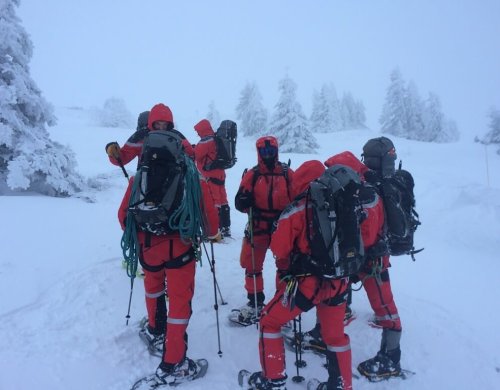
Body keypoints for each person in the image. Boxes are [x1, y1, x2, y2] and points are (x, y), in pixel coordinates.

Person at [118, 104, 221, 386]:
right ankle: (174, 363)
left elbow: (122, 216)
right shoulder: (189, 173)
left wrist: (142, 236)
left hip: (148, 247)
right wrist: (208, 233)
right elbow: (210, 220)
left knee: (153, 289)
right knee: (178, 304)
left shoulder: (141, 174)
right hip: (181, 248)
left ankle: (154, 329)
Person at [243, 160, 353, 390]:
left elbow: (279, 249)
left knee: (269, 322)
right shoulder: (342, 203)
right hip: (340, 282)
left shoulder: (296, 209)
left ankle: (273, 379)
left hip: (308, 285)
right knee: (335, 337)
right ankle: (341, 385)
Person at [304, 151, 403, 381]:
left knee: (384, 305)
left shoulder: (367, 196)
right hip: (356, 259)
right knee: (332, 293)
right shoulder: (352, 190)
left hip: (372, 262)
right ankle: (322, 333)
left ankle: (391, 357)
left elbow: (366, 236)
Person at [233, 136, 294, 325]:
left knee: (285, 267)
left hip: (281, 228)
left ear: (276, 151)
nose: (268, 155)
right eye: (264, 152)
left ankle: (281, 302)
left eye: (271, 151)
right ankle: (255, 302)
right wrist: (244, 202)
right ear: (259, 153)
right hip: (258, 226)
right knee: (251, 266)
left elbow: (298, 197)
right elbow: (239, 201)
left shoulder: (287, 173)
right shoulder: (253, 174)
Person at [105, 103, 194, 168]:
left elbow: (191, 154)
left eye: (164, 125)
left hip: (173, 179)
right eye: (158, 124)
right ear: (152, 122)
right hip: (146, 179)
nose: (161, 128)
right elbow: (123, 158)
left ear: (169, 124)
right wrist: (114, 154)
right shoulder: (140, 136)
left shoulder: (176, 136)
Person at [193, 119, 232, 238]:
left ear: (202, 129)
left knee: (214, 202)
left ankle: (216, 229)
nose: (198, 134)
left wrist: (193, 148)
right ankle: (226, 227)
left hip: (210, 176)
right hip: (220, 174)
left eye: (198, 131)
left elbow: (197, 155)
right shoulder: (216, 139)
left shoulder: (205, 141)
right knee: (223, 200)